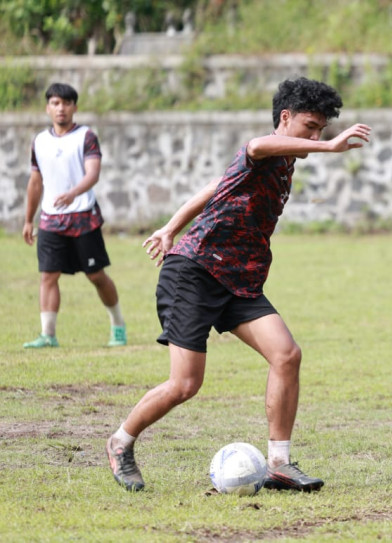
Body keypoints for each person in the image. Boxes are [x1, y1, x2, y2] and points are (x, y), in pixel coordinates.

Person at [105, 77, 371, 492]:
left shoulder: (285, 162)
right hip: (194, 271)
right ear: (284, 118)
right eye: (309, 126)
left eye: (321, 129)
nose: (315, 135)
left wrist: (170, 225)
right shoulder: (264, 148)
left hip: (240, 279)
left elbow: (215, 188)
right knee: (185, 385)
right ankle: (120, 442)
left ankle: (279, 464)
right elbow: (255, 145)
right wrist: (329, 147)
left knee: (287, 355)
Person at [22, 82, 127, 349]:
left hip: (83, 217)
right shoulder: (40, 141)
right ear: (48, 108)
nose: (61, 109)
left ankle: (118, 326)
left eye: (66, 103)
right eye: (56, 103)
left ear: (74, 108)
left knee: (96, 275)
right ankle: (48, 334)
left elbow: (93, 173)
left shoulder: (86, 137)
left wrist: (73, 193)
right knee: (48, 275)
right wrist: (27, 219)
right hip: (50, 219)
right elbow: (35, 182)